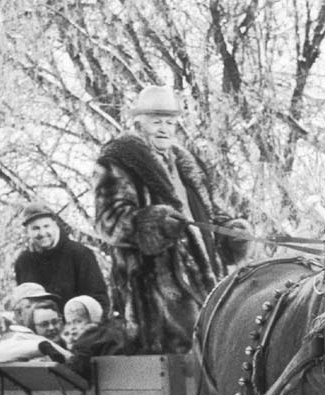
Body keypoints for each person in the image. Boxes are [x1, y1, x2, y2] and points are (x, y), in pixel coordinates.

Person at [93, 84, 253, 354]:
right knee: (181, 367)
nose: (164, 128)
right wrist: (151, 223)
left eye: (170, 122)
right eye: (156, 122)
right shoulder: (117, 161)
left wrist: (230, 232)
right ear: (137, 123)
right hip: (155, 289)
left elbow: (208, 212)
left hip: (206, 283)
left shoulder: (185, 164)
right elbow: (107, 222)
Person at [13, 202, 109, 317]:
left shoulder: (80, 254)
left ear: (55, 225)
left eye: (46, 226)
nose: (42, 233)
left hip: (77, 329)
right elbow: (24, 304)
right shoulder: (24, 262)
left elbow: (98, 301)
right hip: (41, 331)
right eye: (35, 228)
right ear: (27, 231)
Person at [60, 295, 130, 380]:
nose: (73, 328)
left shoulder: (95, 338)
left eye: (78, 321)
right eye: (69, 323)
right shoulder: (76, 342)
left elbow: (74, 371)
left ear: (93, 320)